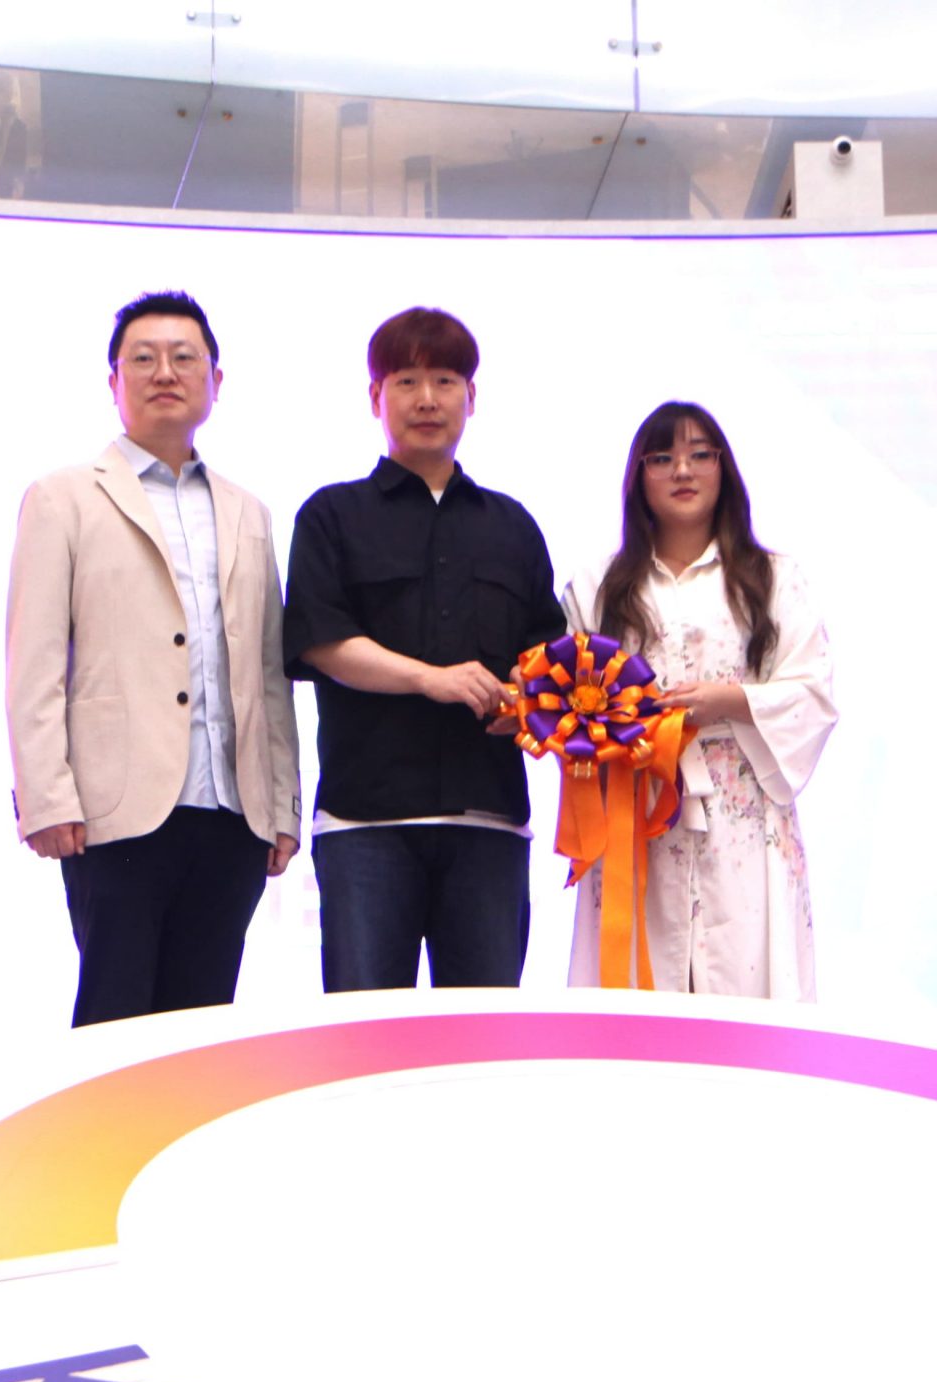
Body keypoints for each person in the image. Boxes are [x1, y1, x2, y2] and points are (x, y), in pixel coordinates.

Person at [5, 289, 299, 1026]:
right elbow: (35, 662)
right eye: (143, 358)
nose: (164, 372)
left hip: (232, 812)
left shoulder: (249, 511)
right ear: (114, 381)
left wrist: (282, 803)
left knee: (202, 1027)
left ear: (215, 380)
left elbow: (267, 674)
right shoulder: (63, 498)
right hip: (116, 812)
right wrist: (47, 798)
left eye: (183, 357)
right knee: (115, 1020)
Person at [283, 307, 558, 992]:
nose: (427, 399)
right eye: (406, 381)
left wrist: (526, 705)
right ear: (375, 397)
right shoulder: (331, 516)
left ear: (472, 396)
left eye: (445, 380)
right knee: (364, 1034)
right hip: (366, 822)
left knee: (484, 1034)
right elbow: (322, 642)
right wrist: (430, 679)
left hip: (490, 821)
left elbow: (548, 661)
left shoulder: (514, 526)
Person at [561, 401, 836, 998]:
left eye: (698, 455)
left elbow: (812, 688)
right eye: (662, 458)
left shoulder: (773, 578)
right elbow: (570, 698)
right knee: (638, 981)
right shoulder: (598, 585)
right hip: (636, 807)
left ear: (722, 468)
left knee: (747, 980)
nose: (682, 471)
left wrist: (729, 700)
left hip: (740, 804)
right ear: (639, 476)